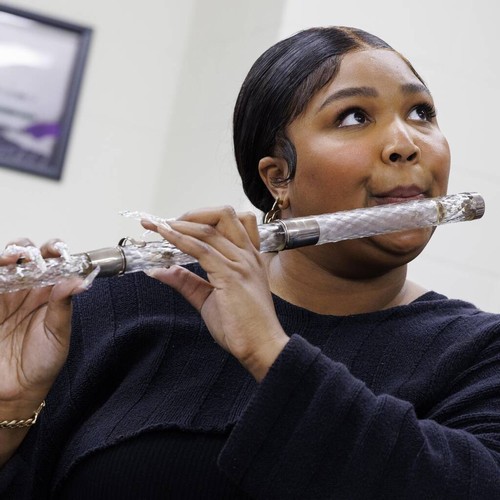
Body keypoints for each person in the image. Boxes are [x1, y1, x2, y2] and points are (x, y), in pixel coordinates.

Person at [0, 26, 499, 499]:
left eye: (421, 113)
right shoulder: (121, 307)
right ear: (278, 176)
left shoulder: (480, 354)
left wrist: (269, 350)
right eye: (354, 116)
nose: (406, 144)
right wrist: (10, 411)